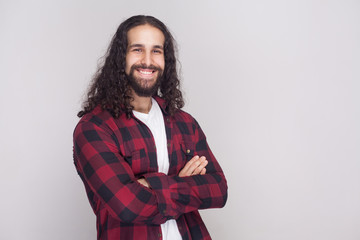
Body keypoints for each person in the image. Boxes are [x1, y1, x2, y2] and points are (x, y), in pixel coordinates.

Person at [73, 15, 228, 240]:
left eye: (156, 51)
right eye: (137, 49)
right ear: (121, 58)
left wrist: (149, 185)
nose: (148, 61)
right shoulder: (93, 128)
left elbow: (218, 189)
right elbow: (128, 206)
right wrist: (185, 184)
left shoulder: (184, 122)